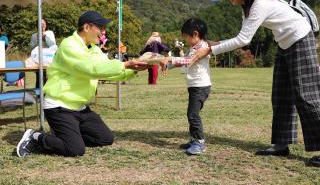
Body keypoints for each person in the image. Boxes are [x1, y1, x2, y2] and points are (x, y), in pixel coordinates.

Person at [192, 0, 320, 166]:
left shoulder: (260, 3)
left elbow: (243, 40)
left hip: (300, 40)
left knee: (305, 96)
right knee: (281, 95)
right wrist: (210, 44)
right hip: (284, 44)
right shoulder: (247, 7)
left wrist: (210, 51)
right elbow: (241, 37)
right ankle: (281, 144)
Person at [16, 11, 149, 158]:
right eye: (101, 28)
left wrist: (133, 70)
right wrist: (125, 64)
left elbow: (107, 70)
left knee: (105, 138)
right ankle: (35, 137)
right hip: (59, 106)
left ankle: (66, 135)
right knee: (74, 150)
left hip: (80, 108)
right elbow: (91, 69)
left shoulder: (94, 49)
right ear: (87, 27)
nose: (103, 32)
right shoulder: (69, 45)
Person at [160, 18, 211, 155]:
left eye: (186, 37)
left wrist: (170, 58)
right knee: (192, 114)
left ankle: (199, 143)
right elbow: (183, 62)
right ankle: (194, 139)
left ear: (195, 34)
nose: (186, 40)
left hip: (201, 87)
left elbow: (188, 60)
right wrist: (167, 65)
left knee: (193, 114)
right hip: (195, 86)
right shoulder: (193, 47)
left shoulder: (203, 47)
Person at [30, 18, 56, 89]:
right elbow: (32, 48)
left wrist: (46, 39)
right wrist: (39, 40)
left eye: (43, 24)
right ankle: (39, 96)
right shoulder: (34, 35)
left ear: (46, 25)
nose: (42, 26)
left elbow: (53, 46)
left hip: (48, 60)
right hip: (37, 61)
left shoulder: (49, 34)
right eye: (40, 24)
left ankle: (47, 94)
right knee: (39, 78)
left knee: (49, 78)